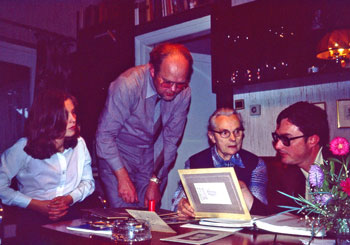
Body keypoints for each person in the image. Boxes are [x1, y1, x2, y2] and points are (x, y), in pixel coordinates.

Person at [96, 43, 193, 208]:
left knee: (149, 215)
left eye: (180, 84)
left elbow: (170, 140)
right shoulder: (127, 85)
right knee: (123, 213)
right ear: (153, 71)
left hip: (152, 156)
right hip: (119, 151)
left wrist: (155, 180)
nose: (174, 89)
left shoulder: (183, 93)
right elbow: (104, 136)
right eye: (167, 83)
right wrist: (122, 177)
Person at [0, 89, 95, 242]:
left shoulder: (79, 144)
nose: (73, 119)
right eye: (65, 115)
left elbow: (88, 182)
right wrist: (36, 205)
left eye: (73, 112)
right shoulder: (23, 147)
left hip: (70, 216)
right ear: (49, 118)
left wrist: (68, 199)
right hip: (33, 218)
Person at [172, 108, 268, 216]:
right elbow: (177, 202)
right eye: (225, 133)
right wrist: (182, 206)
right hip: (205, 227)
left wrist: (243, 189)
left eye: (237, 131)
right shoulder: (195, 162)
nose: (233, 138)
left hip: (242, 229)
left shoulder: (255, 163)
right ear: (212, 137)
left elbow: (261, 211)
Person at [268, 101, 330, 213]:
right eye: (277, 137)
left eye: (286, 139)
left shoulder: (343, 169)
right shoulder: (282, 173)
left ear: (312, 140)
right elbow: (276, 215)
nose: (277, 145)